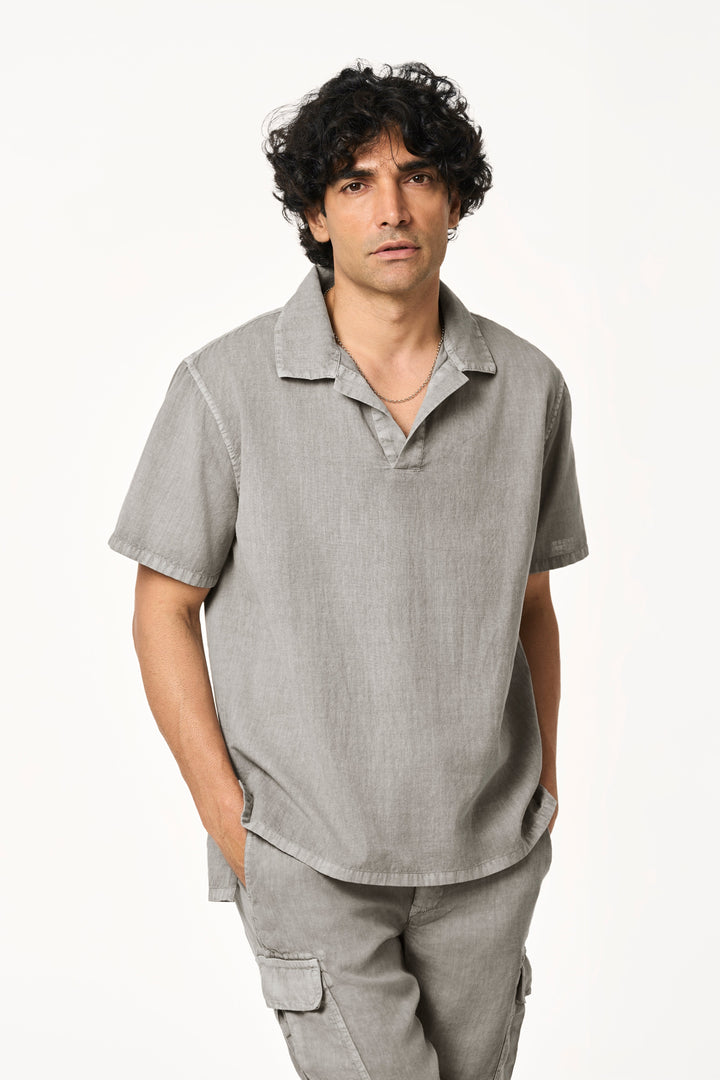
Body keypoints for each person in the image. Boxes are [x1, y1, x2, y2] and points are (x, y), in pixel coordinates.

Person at [108, 60, 589, 1080]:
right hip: (308, 853)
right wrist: (234, 825)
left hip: (488, 858)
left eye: (418, 176)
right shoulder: (224, 388)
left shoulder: (530, 387)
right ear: (315, 216)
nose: (392, 208)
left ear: (454, 200)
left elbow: (532, 604)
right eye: (356, 182)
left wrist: (543, 791)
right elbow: (162, 610)